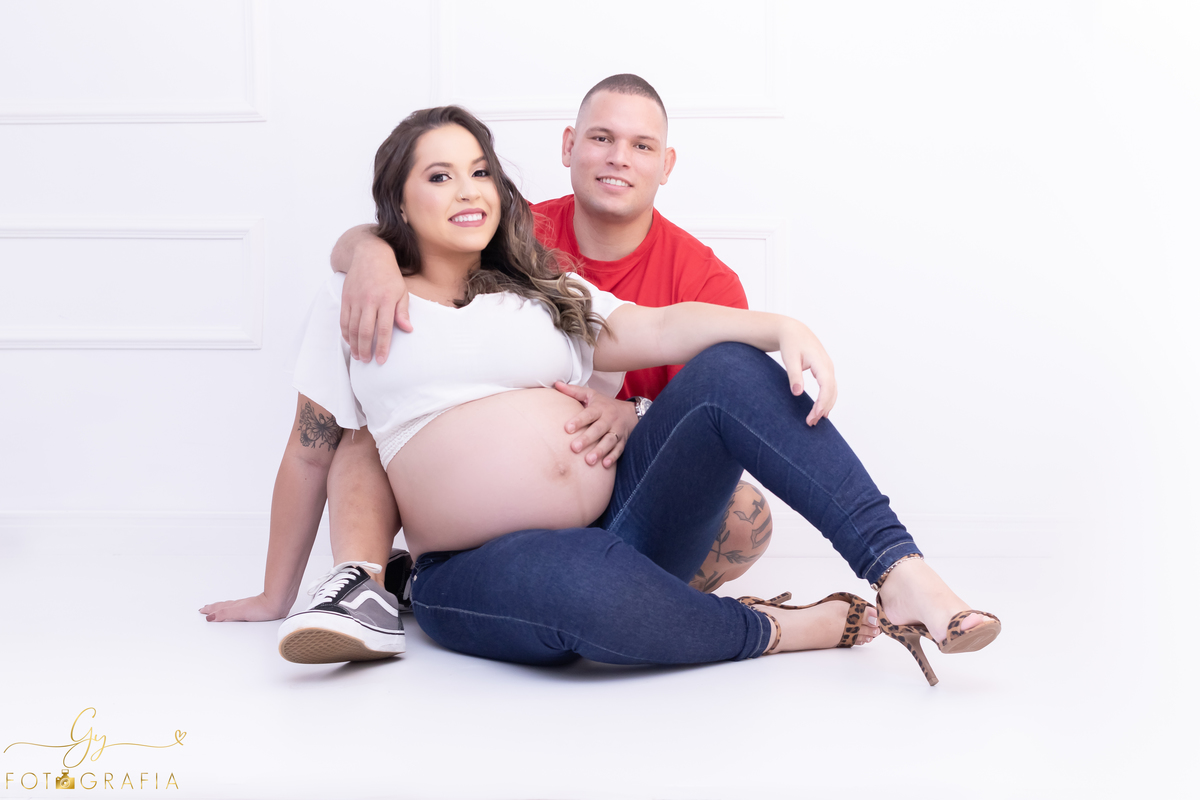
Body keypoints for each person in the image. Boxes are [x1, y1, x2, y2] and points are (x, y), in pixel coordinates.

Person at [202, 105, 1000, 685]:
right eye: (438, 175)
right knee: (582, 593)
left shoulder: (543, 287)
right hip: (480, 567)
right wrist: (277, 595)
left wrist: (776, 324)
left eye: (480, 170)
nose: (467, 188)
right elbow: (312, 451)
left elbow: (657, 329)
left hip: (627, 515)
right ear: (398, 202)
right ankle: (780, 628)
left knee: (726, 364)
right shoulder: (362, 301)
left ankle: (900, 571)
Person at [329, 75, 773, 594]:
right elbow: (416, 234)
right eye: (602, 138)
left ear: (666, 164)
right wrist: (369, 251)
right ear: (569, 146)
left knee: (745, 514)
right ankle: (390, 579)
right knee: (362, 415)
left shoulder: (706, 282)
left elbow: (711, 416)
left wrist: (635, 415)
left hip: (625, 482)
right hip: (487, 490)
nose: (619, 158)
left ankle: (621, 600)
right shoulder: (511, 235)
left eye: (642, 145)